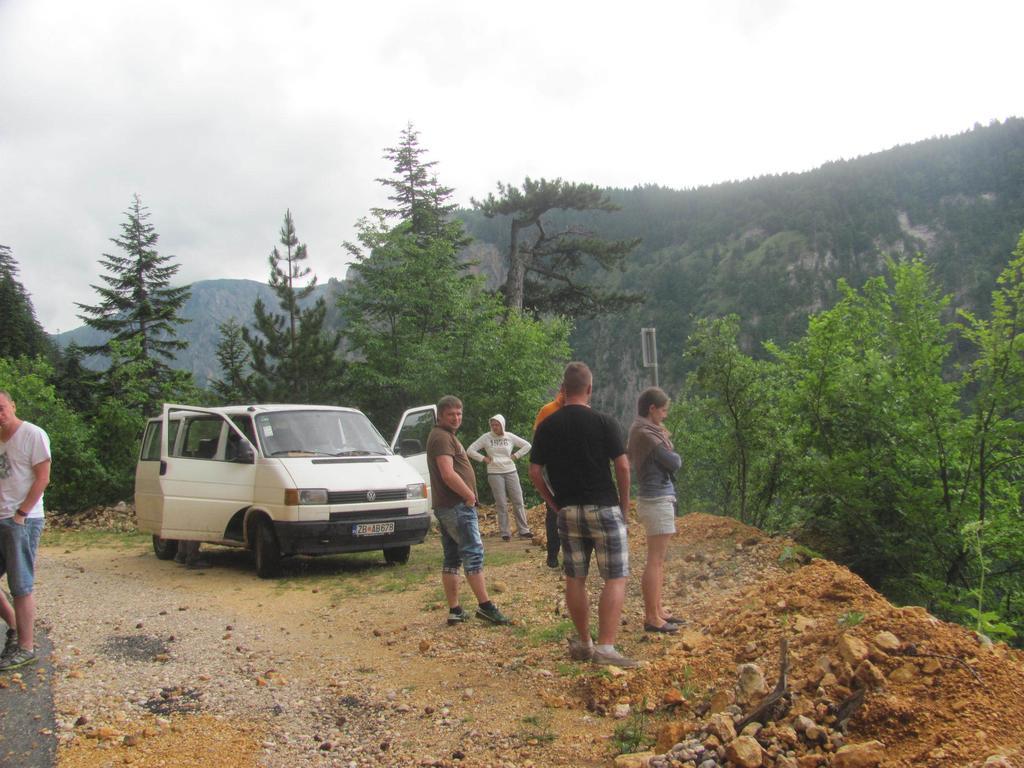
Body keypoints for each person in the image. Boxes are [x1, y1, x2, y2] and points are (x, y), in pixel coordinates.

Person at [529, 363, 637, 668]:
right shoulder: (604, 422)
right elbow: (623, 467)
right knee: (615, 576)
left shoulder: (547, 425)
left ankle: (584, 643)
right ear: (589, 389)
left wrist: (553, 503)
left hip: (568, 510)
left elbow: (535, 472)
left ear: (563, 389)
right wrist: (624, 507)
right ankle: (605, 647)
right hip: (603, 507)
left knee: (575, 578)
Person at [426, 396, 511, 627]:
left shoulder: (443, 435)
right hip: (456, 505)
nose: (456, 418)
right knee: (473, 553)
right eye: (451, 414)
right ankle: (485, 607)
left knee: (452, 558)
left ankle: (455, 610)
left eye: (459, 414)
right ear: (441, 416)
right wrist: (469, 496)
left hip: (448, 506)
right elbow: (447, 473)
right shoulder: (442, 438)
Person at [0, 391, 51, 672]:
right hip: (1, 518)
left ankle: (26, 648)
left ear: (12, 406)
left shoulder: (33, 434)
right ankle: (15, 628)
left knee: (21, 585)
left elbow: (43, 477)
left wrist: (21, 513)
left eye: (1, 408)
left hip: (22, 519)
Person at [627, 387, 683, 634]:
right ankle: (652, 617)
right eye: (662, 410)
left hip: (655, 496)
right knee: (655, 561)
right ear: (651, 408)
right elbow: (673, 462)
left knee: (658, 560)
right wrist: (674, 455)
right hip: (656, 497)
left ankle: (657, 610)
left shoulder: (643, 429)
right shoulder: (646, 433)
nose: (665, 416)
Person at [467, 415, 532, 541]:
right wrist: (483, 458)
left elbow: (527, 445)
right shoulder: (486, 437)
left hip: (511, 471)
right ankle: (505, 532)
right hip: (494, 472)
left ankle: (524, 530)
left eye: (497, 425)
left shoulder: (509, 436)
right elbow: (470, 450)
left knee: (518, 500)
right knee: (501, 503)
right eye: (492, 425)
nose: (494, 427)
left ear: (502, 425)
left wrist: (516, 455)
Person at [533, 387, 565, 568]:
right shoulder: (547, 410)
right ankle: (552, 553)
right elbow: (538, 437)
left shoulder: (579, 407)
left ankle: (571, 556)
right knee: (553, 511)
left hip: (574, 470)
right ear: (561, 391)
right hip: (552, 468)